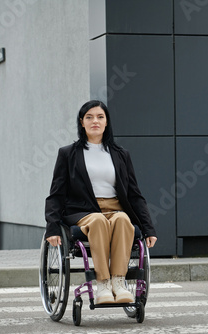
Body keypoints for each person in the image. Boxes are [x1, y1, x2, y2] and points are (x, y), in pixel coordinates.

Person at [44, 100, 157, 304]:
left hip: (115, 208)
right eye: (89, 117)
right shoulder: (68, 154)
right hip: (82, 211)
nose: (95, 121)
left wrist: (148, 228)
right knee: (97, 220)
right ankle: (103, 284)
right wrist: (52, 227)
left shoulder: (121, 154)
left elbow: (134, 194)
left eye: (100, 117)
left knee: (123, 219)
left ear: (106, 123)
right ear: (82, 122)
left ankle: (118, 282)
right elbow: (56, 194)